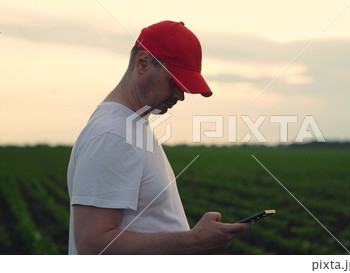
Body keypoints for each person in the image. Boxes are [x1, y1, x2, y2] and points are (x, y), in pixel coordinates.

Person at [67, 20, 252, 254]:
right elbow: (92, 244)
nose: (181, 95)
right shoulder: (113, 134)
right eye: (175, 82)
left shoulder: (130, 125)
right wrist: (192, 241)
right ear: (143, 63)